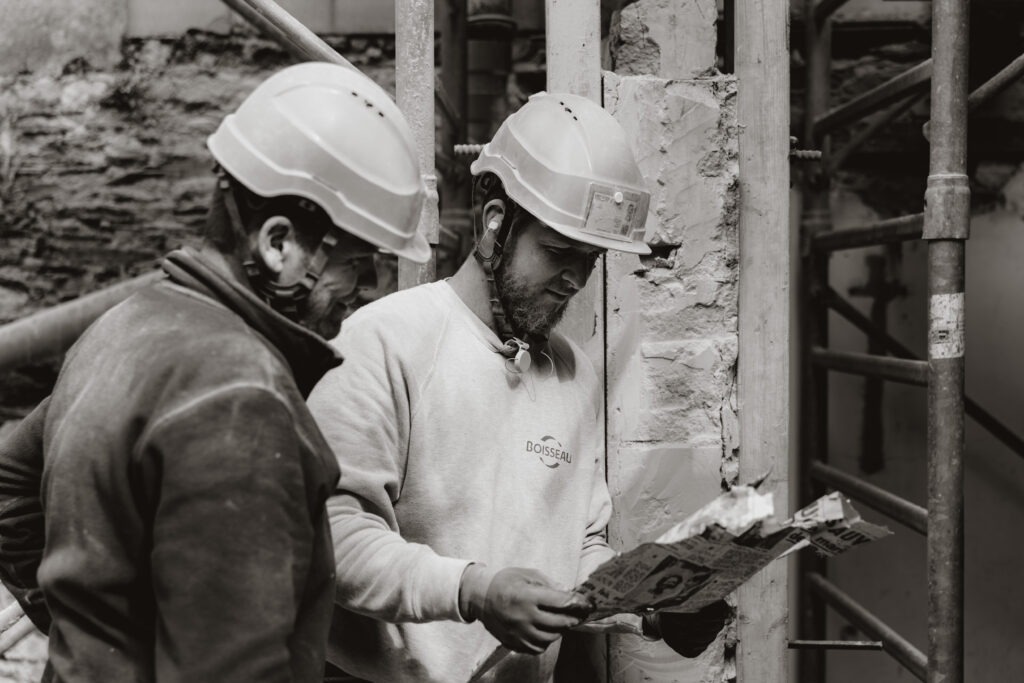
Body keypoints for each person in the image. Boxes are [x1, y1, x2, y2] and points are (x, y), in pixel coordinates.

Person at [0, 61, 429, 682]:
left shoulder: (123, 326)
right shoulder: (241, 395)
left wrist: (97, 642)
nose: (366, 287)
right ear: (279, 244)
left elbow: (9, 486)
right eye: (359, 263)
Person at [307, 92, 728, 683]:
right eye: (559, 252)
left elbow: (577, 547)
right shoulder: (385, 342)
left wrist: (652, 609)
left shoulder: (572, 373)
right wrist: (474, 590)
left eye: (592, 259)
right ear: (495, 222)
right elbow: (333, 538)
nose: (576, 279)